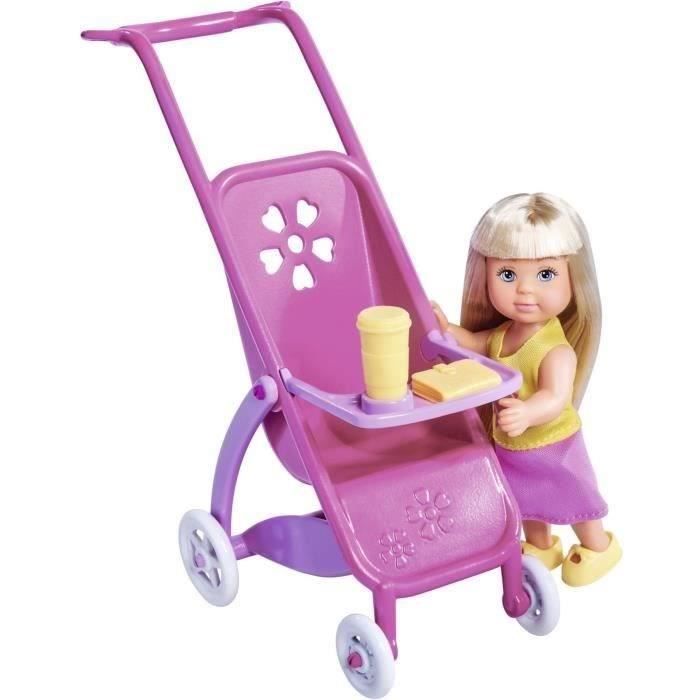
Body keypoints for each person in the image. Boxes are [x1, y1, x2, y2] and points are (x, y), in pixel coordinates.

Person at [432, 193, 621, 586]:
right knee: (528, 499)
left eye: (545, 274)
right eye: (507, 275)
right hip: (514, 445)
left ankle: (599, 545)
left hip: (554, 447)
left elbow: (555, 396)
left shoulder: (555, 349)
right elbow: (477, 344)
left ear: (573, 278)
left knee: (574, 496)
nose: (525, 290)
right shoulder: (503, 334)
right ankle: (541, 544)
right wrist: (447, 330)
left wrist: (528, 412)